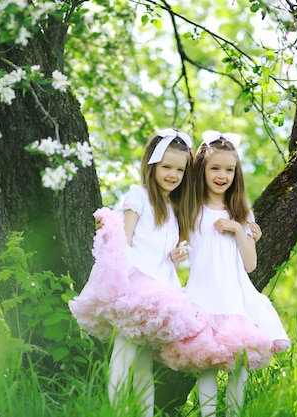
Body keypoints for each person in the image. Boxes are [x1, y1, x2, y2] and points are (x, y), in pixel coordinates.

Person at [69, 128, 203, 417]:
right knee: (123, 355)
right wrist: (124, 287)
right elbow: (125, 242)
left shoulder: (175, 209)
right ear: (152, 165)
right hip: (134, 288)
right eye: (166, 167)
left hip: (159, 290)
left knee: (143, 363)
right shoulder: (139, 196)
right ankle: (115, 411)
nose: (173, 174)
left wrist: (175, 256)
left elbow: (166, 260)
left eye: (180, 169)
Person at [158, 130, 291, 417]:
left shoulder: (241, 211)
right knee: (206, 365)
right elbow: (179, 248)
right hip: (202, 298)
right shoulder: (190, 209)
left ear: (236, 173)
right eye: (215, 168)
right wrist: (174, 256)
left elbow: (250, 263)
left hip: (235, 298)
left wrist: (236, 229)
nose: (222, 175)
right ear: (202, 169)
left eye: (229, 170)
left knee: (239, 366)